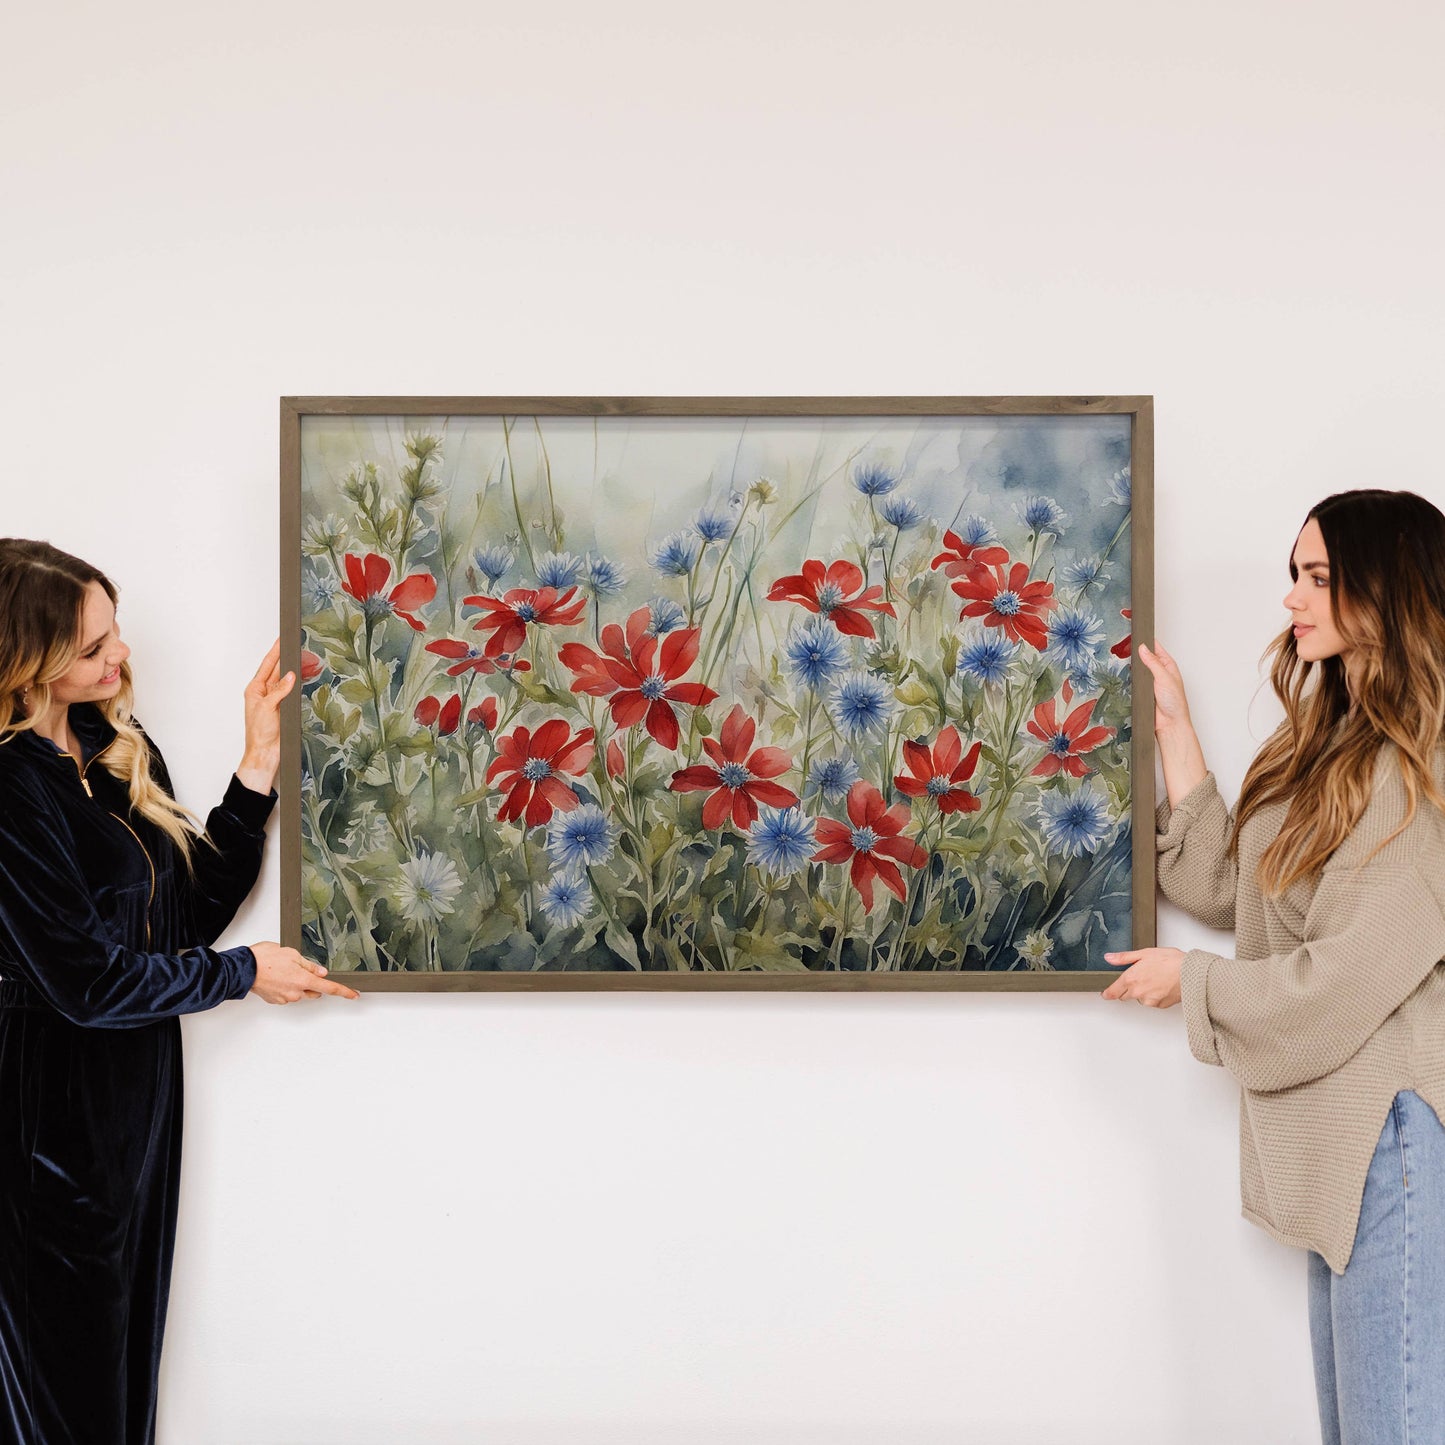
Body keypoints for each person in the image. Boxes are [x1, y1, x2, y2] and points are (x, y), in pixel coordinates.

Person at [1100, 489, 1445, 1442]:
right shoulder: (1328, 744)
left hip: (1393, 1145)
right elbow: (1233, 888)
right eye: (1293, 575)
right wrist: (1174, 731)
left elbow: (1344, 978)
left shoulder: (1422, 769)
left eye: (1319, 577)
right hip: (1344, 1150)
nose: (1293, 599)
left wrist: (1192, 984)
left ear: (1387, 590)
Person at [0, 538, 359, 1445]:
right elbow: (85, 982)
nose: (119, 656)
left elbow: (184, 914)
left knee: (120, 1385)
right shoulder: (8, 788)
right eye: (92, 648)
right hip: (43, 1121)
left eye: (114, 631)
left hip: (134, 1108)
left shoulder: (110, 743)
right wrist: (245, 974)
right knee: (64, 1400)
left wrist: (259, 761)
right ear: (25, 660)